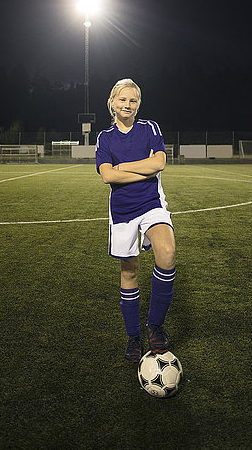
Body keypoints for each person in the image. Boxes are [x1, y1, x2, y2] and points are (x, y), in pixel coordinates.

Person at [95, 78, 176, 363]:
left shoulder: (149, 128)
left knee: (166, 253)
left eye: (133, 101)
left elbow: (159, 163)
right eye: (123, 100)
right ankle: (133, 335)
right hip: (122, 209)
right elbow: (107, 175)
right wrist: (142, 168)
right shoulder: (105, 137)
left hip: (151, 202)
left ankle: (154, 325)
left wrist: (125, 167)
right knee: (129, 272)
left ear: (138, 105)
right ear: (112, 103)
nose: (127, 105)